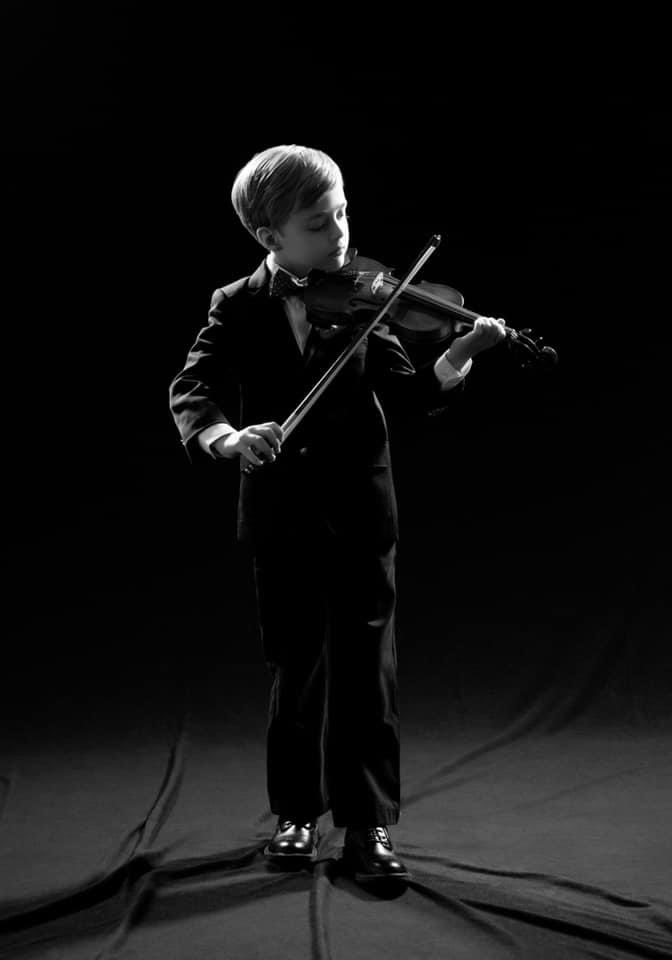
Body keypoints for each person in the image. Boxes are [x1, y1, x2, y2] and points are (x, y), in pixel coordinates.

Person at [169, 144, 505, 882]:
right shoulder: (238, 303)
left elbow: (409, 391)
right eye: (320, 225)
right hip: (282, 516)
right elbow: (193, 390)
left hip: (362, 511)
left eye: (345, 212)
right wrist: (229, 438)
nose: (342, 235)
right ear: (270, 237)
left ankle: (370, 826)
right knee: (295, 670)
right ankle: (295, 812)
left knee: (367, 675)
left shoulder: (368, 297)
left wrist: (459, 357)